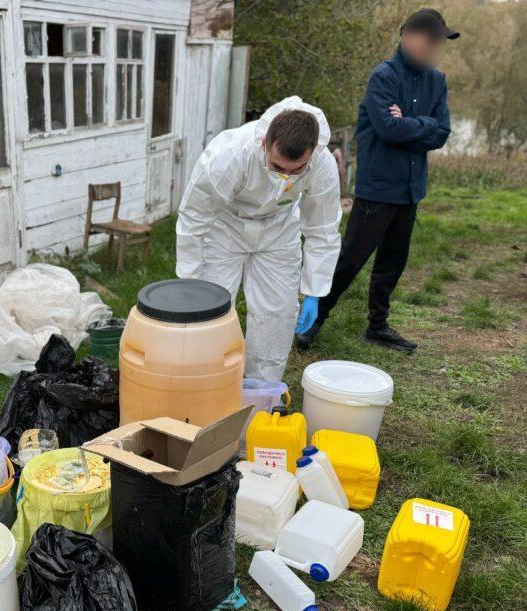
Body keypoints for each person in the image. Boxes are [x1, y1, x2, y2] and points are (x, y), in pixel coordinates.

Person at [296, 8, 458, 352]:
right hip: (378, 188)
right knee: (350, 259)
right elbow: (387, 129)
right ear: (409, 37)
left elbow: (441, 132)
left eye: (438, 43)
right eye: (430, 41)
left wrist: (413, 124)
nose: (434, 49)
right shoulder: (383, 77)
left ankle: (378, 326)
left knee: (393, 262)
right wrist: (422, 125)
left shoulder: (437, 81)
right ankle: (312, 321)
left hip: (411, 189)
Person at [176, 96, 341, 383]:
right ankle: (208, 383)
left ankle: (261, 393)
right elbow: (194, 218)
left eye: (296, 170)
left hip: (278, 228)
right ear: (265, 142)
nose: (286, 177)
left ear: (312, 153)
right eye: (278, 167)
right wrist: (189, 279)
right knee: (209, 307)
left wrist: (314, 289)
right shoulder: (228, 156)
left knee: (276, 314)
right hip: (225, 225)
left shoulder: (322, 164)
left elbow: (322, 227)